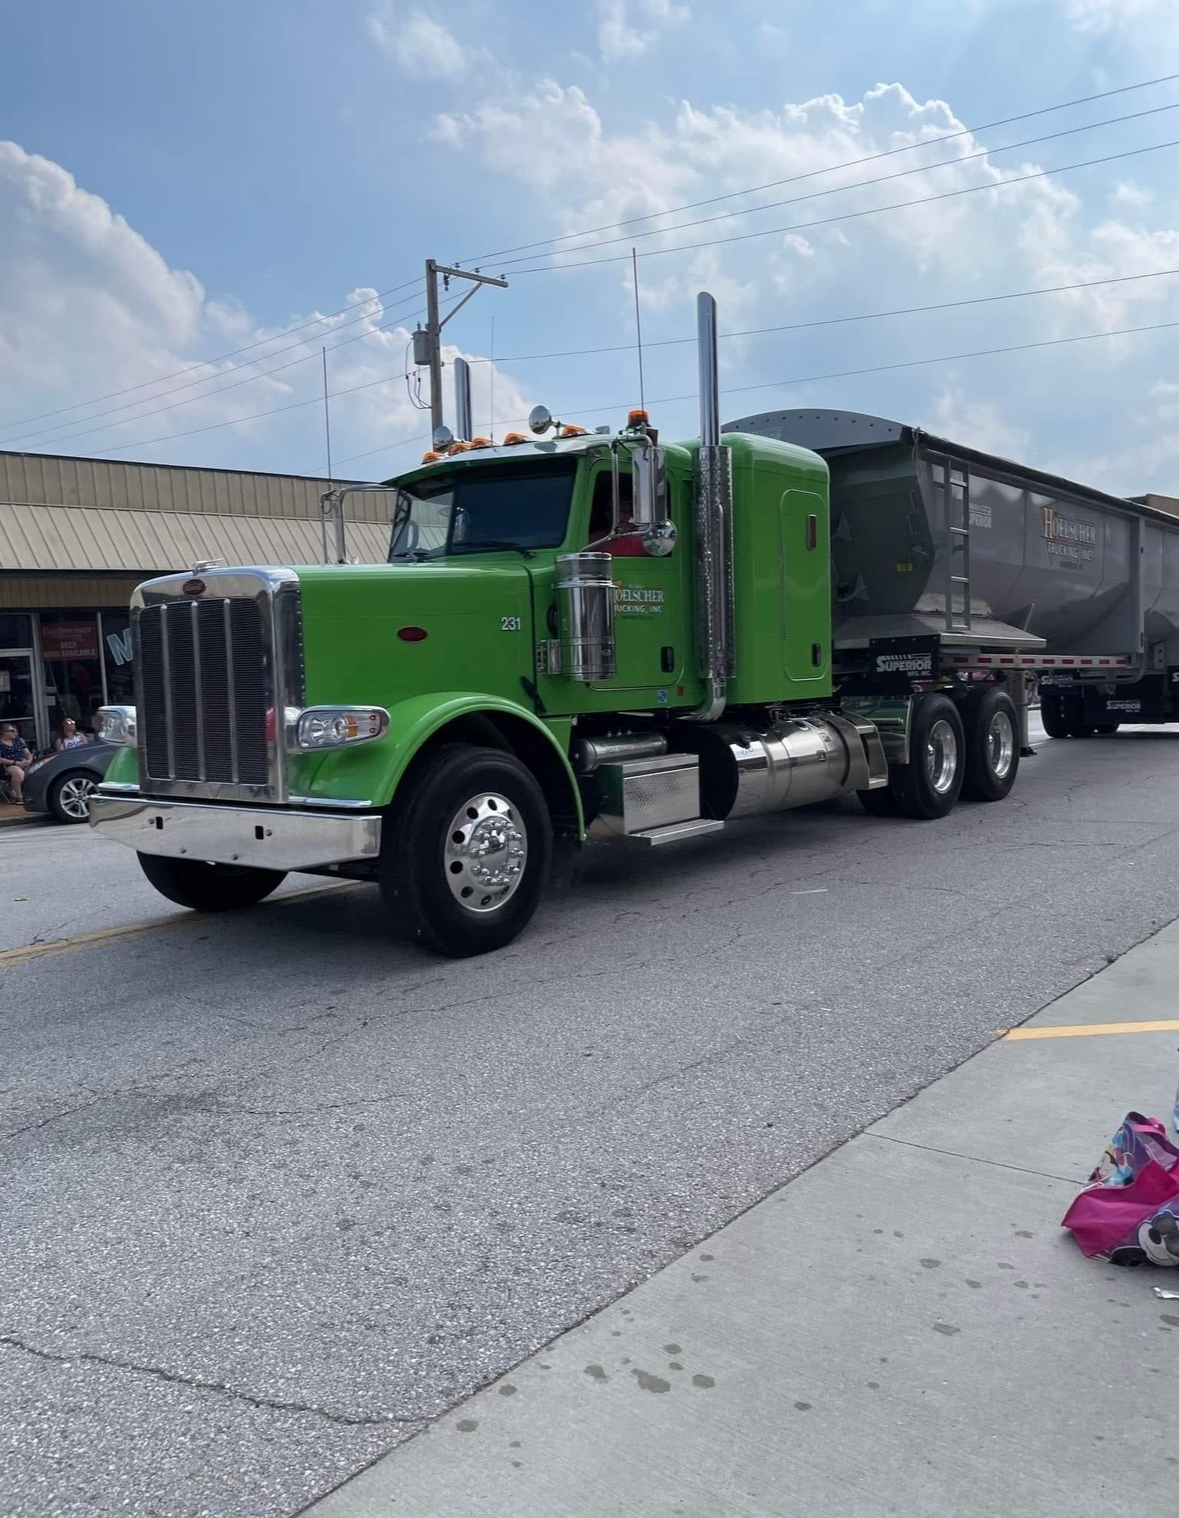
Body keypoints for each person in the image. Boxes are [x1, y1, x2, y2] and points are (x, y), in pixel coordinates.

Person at [0, 723, 32, 803]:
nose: (15, 733)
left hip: (23, 762)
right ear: (4, 732)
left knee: (35, 770)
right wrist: (16, 763)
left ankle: (30, 794)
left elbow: (28, 753)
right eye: (12, 731)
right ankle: (19, 796)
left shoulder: (19, 741)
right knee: (18, 773)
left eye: (16, 731)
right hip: (8, 765)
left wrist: (28, 760)